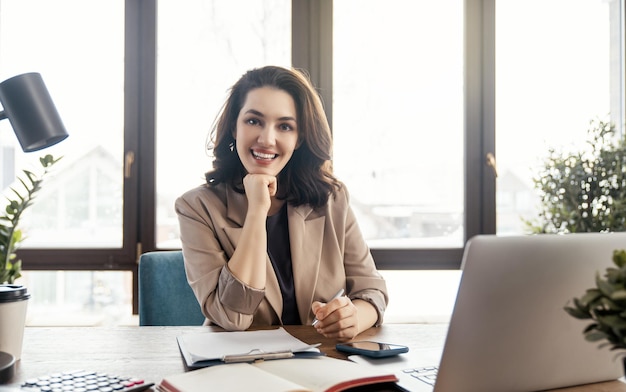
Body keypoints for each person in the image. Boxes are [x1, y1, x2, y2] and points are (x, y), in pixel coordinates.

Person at [175, 65, 388, 341]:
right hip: (238, 367)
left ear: (299, 138)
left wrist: (352, 318)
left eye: (285, 126)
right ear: (233, 127)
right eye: (254, 121)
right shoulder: (196, 207)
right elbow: (232, 317)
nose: (267, 139)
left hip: (320, 363)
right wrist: (256, 212)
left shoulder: (332, 198)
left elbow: (372, 292)